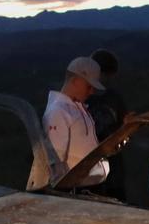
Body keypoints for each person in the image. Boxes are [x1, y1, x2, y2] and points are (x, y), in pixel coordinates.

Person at [43, 56, 109, 186]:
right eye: (89, 86)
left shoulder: (77, 107)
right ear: (76, 81)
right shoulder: (58, 111)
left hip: (89, 186)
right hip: (74, 191)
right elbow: (56, 162)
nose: (92, 92)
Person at [85, 49, 129, 199]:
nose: (109, 81)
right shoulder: (80, 97)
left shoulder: (114, 98)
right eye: (107, 76)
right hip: (86, 167)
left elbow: (124, 125)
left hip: (113, 168)